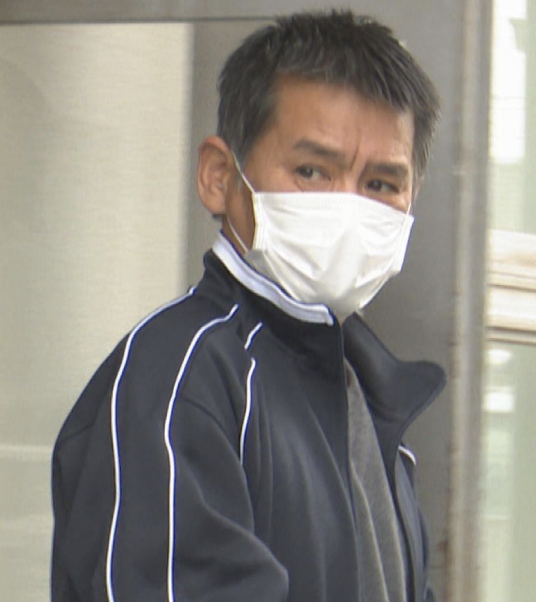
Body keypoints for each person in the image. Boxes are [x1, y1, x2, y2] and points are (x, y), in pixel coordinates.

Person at [51, 9, 444, 602]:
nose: (348, 209)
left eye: (381, 185)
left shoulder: (365, 398)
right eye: (312, 171)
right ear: (219, 176)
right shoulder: (180, 382)